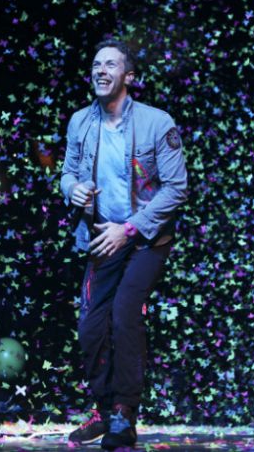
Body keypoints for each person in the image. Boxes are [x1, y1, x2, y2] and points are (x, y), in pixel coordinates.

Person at [60, 39, 187, 450]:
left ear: (128, 76)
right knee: (90, 327)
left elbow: (177, 189)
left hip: (145, 239)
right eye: (96, 64)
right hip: (101, 237)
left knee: (124, 315)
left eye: (111, 65)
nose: (101, 70)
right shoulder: (80, 122)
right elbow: (67, 174)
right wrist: (73, 190)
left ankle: (123, 414)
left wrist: (129, 229)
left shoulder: (156, 123)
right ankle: (103, 409)